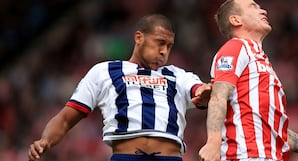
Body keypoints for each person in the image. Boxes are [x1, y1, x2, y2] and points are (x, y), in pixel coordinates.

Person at [28, 14, 211, 161]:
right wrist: (46, 141)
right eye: (160, 42)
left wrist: (206, 94)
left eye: (169, 46)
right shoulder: (105, 71)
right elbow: (66, 118)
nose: (164, 51)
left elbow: (200, 90)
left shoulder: (177, 75)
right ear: (139, 38)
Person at [198, 0, 298, 161]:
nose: (263, 11)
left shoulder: (261, 61)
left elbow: (274, 128)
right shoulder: (235, 48)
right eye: (253, 7)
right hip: (245, 156)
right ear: (236, 20)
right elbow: (218, 97)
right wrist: (213, 144)